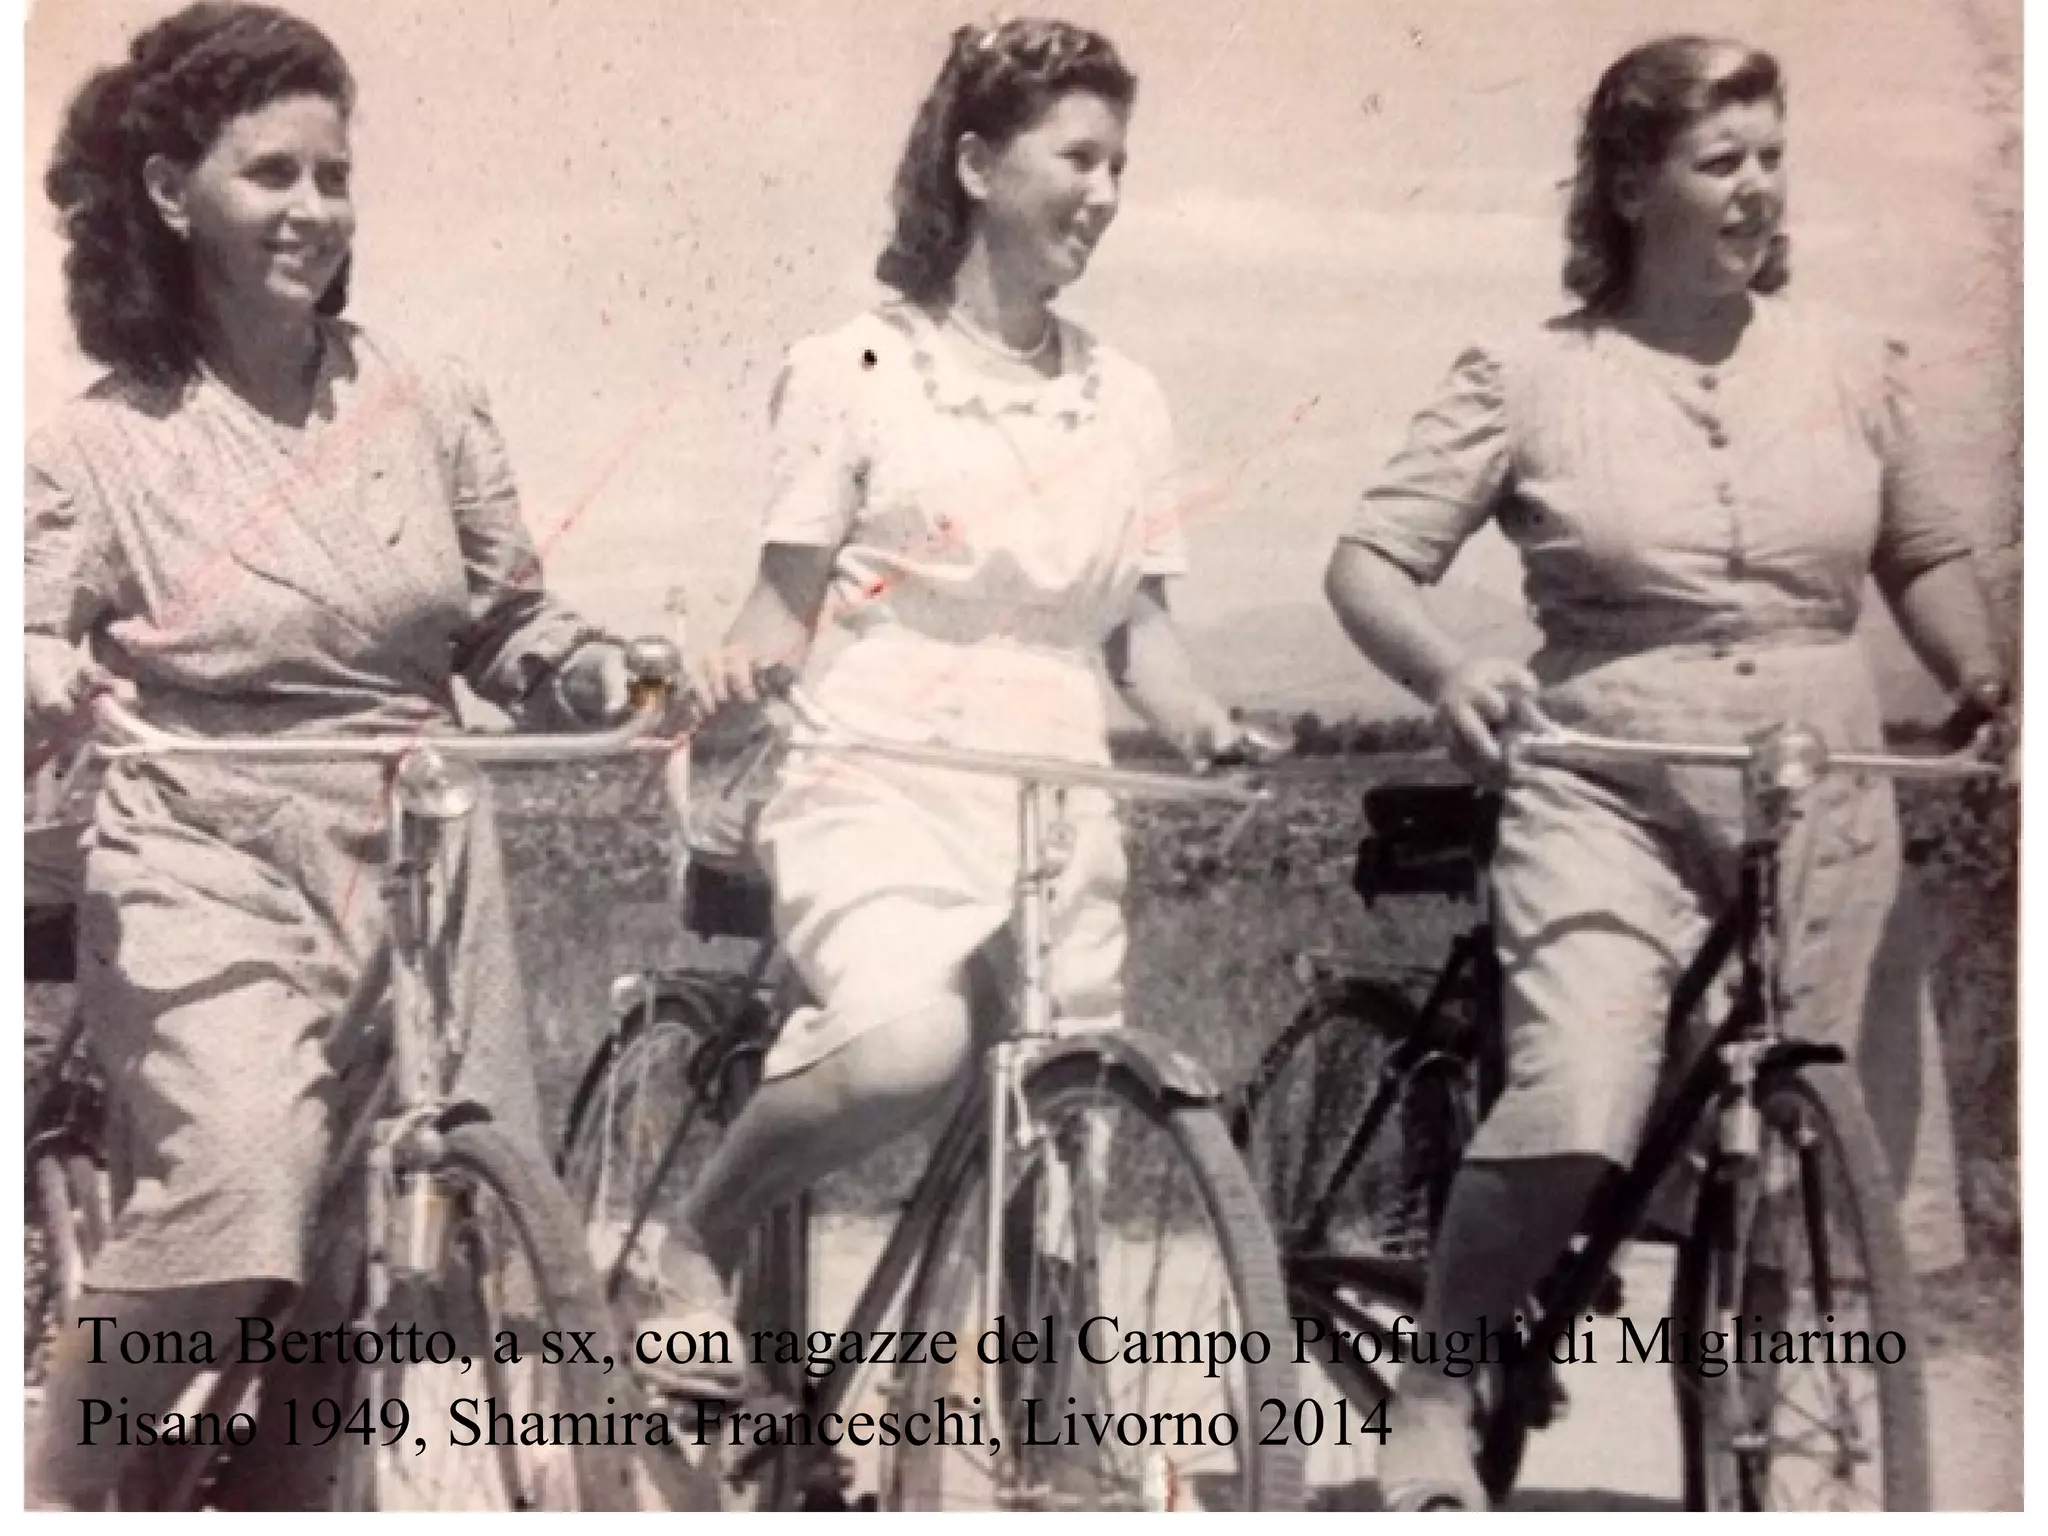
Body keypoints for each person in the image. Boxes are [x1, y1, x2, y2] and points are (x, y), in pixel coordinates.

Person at [1323, 35, 2009, 1510]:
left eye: (1772, 155)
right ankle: (1442, 1379)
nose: (1759, 188)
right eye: (1722, 160)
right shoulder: (1529, 372)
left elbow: (1929, 552)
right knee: (1582, 1095)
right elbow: (1369, 562)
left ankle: (1745, 1451)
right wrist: (1452, 671)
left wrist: (1981, 677)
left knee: (1808, 1135)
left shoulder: (1851, 363)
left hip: (1817, 784)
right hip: (1607, 784)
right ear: (1632, 185)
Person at [24, 3, 634, 1508]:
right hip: (204, 845)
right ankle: (67, 1485)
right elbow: (29, 620)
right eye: (272, 174)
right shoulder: (96, 445)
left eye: (333, 177)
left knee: (400, 1244)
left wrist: (583, 669)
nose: (313, 210)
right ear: (173, 193)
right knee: (244, 1189)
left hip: (423, 852)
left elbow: (506, 623)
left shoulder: (428, 399)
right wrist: (38, 660)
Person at [636, 16, 1261, 1383]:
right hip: (881, 769)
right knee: (908, 1044)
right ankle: (697, 1242)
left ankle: (1032, 1438)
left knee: (1066, 1131)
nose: (1104, 192)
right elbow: (783, 605)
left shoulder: (1127, 397)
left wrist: (1206, 721)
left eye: (1120, 164)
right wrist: (737, 670)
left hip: (1055, 786)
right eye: (1076, 157)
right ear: (977, 164)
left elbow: (1140, 632)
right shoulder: (854, 368)